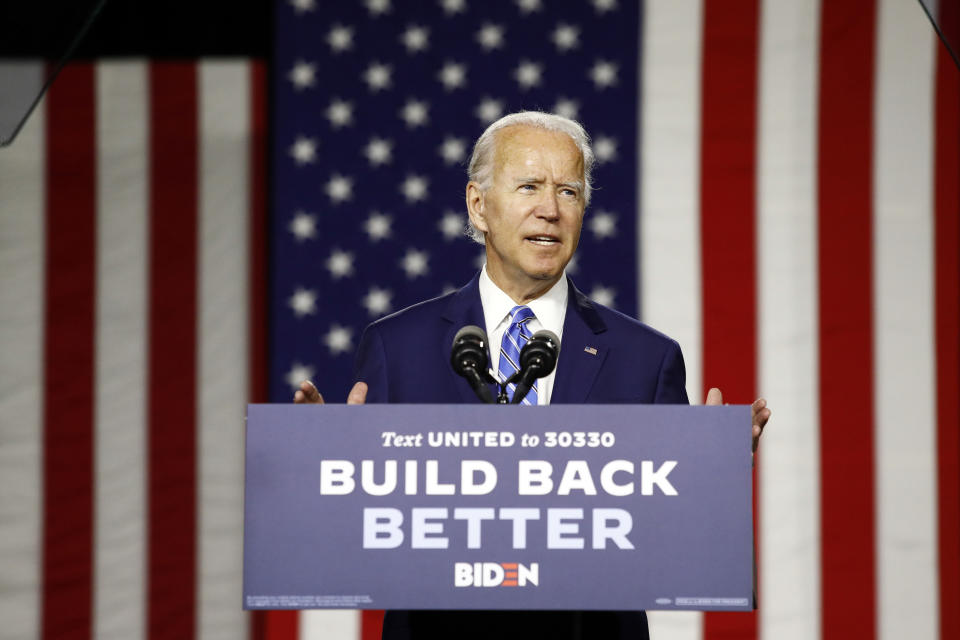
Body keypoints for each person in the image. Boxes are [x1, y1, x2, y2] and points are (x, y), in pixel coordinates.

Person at [295, 111, 771, 640]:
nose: (550, 211)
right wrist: (325, 474)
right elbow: (363, 536)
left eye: (568, 192)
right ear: (478, 206)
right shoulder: (397, 347)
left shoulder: (645, 358)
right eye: (529, 187)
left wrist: (710, 480)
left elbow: (674, 543)